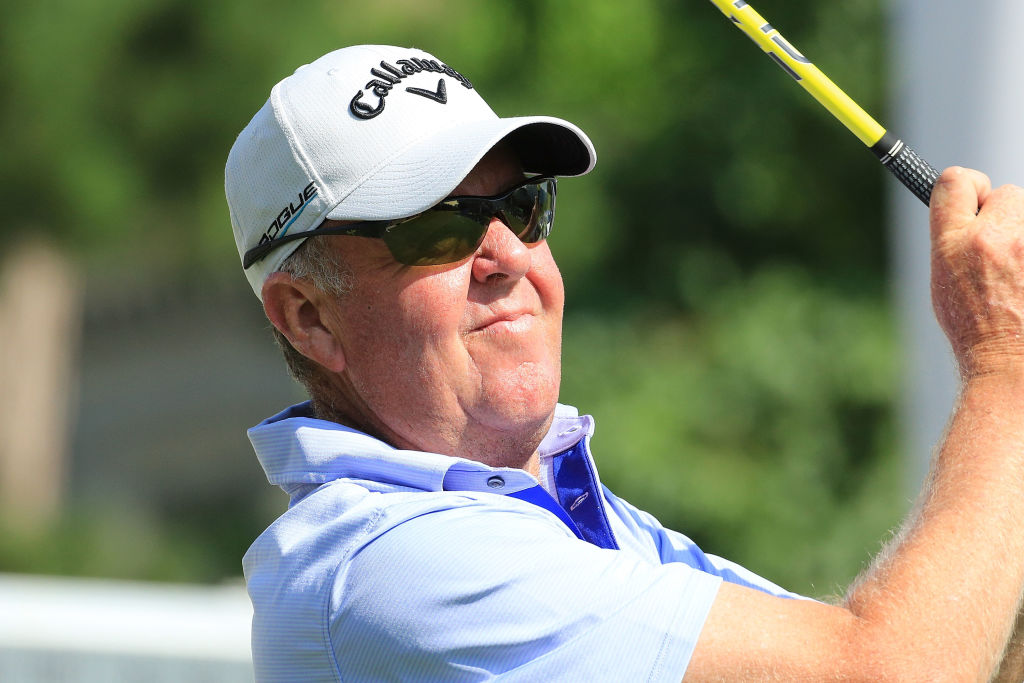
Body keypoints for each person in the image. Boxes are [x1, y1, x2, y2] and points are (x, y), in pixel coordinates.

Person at [225, 44, 1024, 681]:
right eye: (438, 229)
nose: (506, 254)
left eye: (521, 207)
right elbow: (894, 669)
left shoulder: (561, 518)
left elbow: (956, 645)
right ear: (308, 316)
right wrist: (1004, 362)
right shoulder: (387, 566)